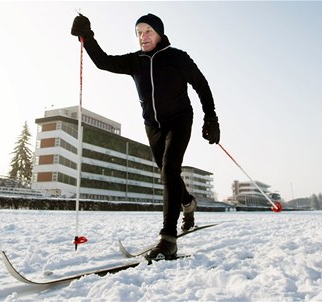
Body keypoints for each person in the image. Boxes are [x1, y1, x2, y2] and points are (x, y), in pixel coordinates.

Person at [71, 13, 220, 259]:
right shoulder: (136, 61)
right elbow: (103, 61)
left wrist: (211, 118)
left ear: (160, 33)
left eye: (148, 31)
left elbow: (201, 84)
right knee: (167, 170)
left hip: (179, 120)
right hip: (153, 125)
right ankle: (187, 203)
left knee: (170, 169)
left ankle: (168, 238)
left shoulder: (177, 57)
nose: (143, 36)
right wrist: (87, 36)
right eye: (139, 32)